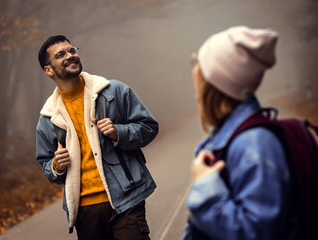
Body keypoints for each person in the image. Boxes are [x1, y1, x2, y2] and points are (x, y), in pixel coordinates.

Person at [36, 35, 158, 240]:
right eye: (61, 54)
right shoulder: (48, 118)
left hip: (126, 200)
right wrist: (57, 166)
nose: (70, 56)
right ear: (48, 70)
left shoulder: (113, 91)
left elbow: (148, 127)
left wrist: (119, 132)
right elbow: (46, 165)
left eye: (72, 50)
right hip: (85, 212)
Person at [182, 26, 295, 239]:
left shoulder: (252, 145)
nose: (196, 97)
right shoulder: (233, 138)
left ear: (212, 91)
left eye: (199, 86)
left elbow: (256, 233)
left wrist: (205, 188)